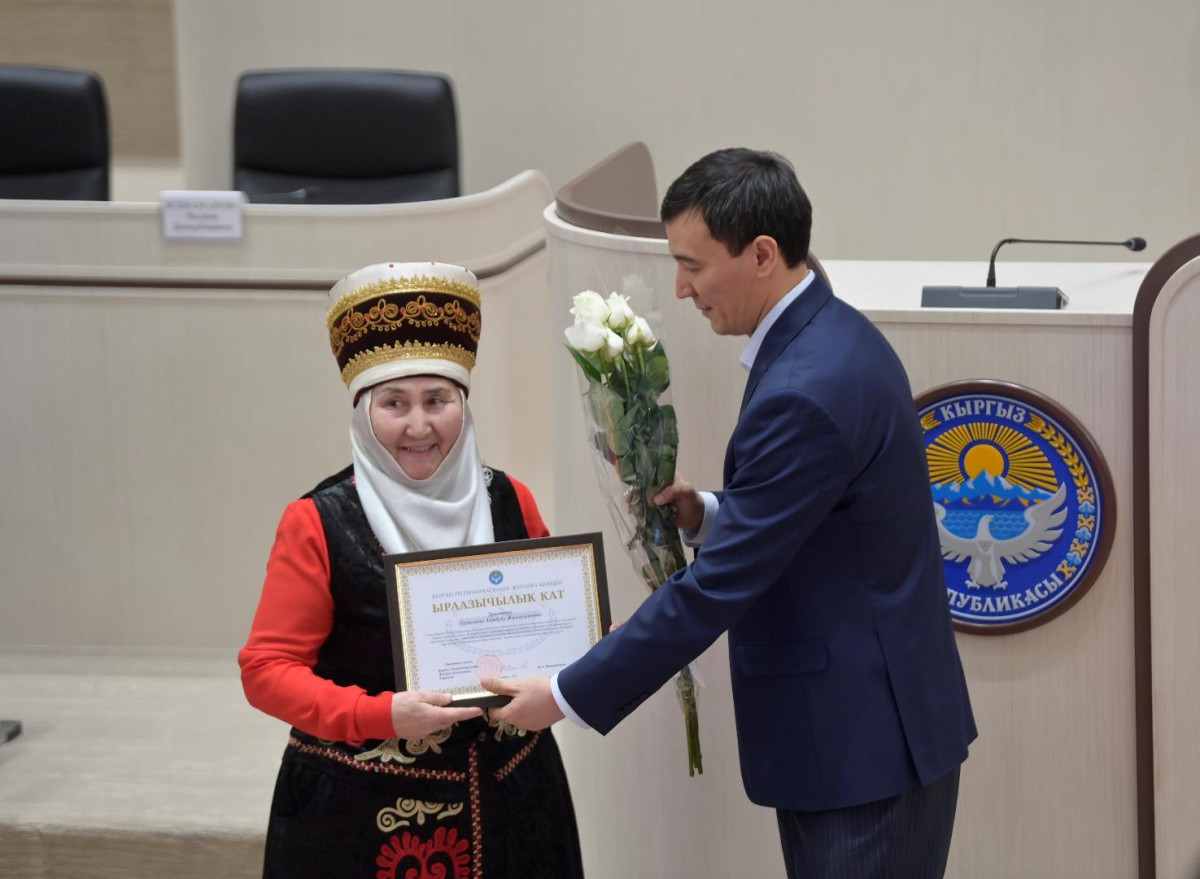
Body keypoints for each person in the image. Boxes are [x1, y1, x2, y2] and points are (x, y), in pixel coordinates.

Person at [487, 150, 977, 878]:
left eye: (692, 265)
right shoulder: (829, 333)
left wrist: (564, 692)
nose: (680, 288)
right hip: (865, 728)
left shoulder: (805, 388)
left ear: (762, 254)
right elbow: (819, 520)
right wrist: (711, 514)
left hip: (865, 750)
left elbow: (715, 588)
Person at [239, 262, 584, 879]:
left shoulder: (511, 499)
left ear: (463, 405)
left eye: (437, 400)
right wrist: (381, 715)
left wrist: (572, 674)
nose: (418, 426)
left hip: (518, 802)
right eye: (394, 403)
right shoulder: (317, 521)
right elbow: (267, 672)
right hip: (362, 818)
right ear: (363, 412)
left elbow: (557, 631)